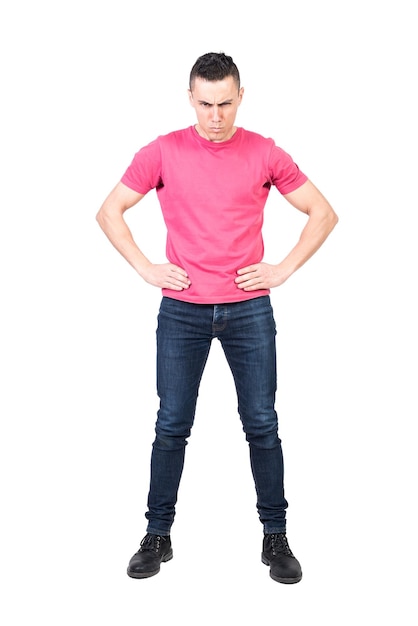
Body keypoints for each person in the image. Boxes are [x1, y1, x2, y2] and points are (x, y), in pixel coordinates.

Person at [96, 51, 338, 584]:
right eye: (205, 104)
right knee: (171, 426)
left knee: (262, 424)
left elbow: (323, 213)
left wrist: (283, 269)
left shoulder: (265, 152)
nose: (215, 116)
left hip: (249, 309)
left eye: (225, 103)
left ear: (240, 97)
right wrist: (145, 267)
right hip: (181, 311)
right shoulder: (161, 151)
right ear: (190, 99)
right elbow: (109, 211)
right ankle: (157, 535)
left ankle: (275, 537)